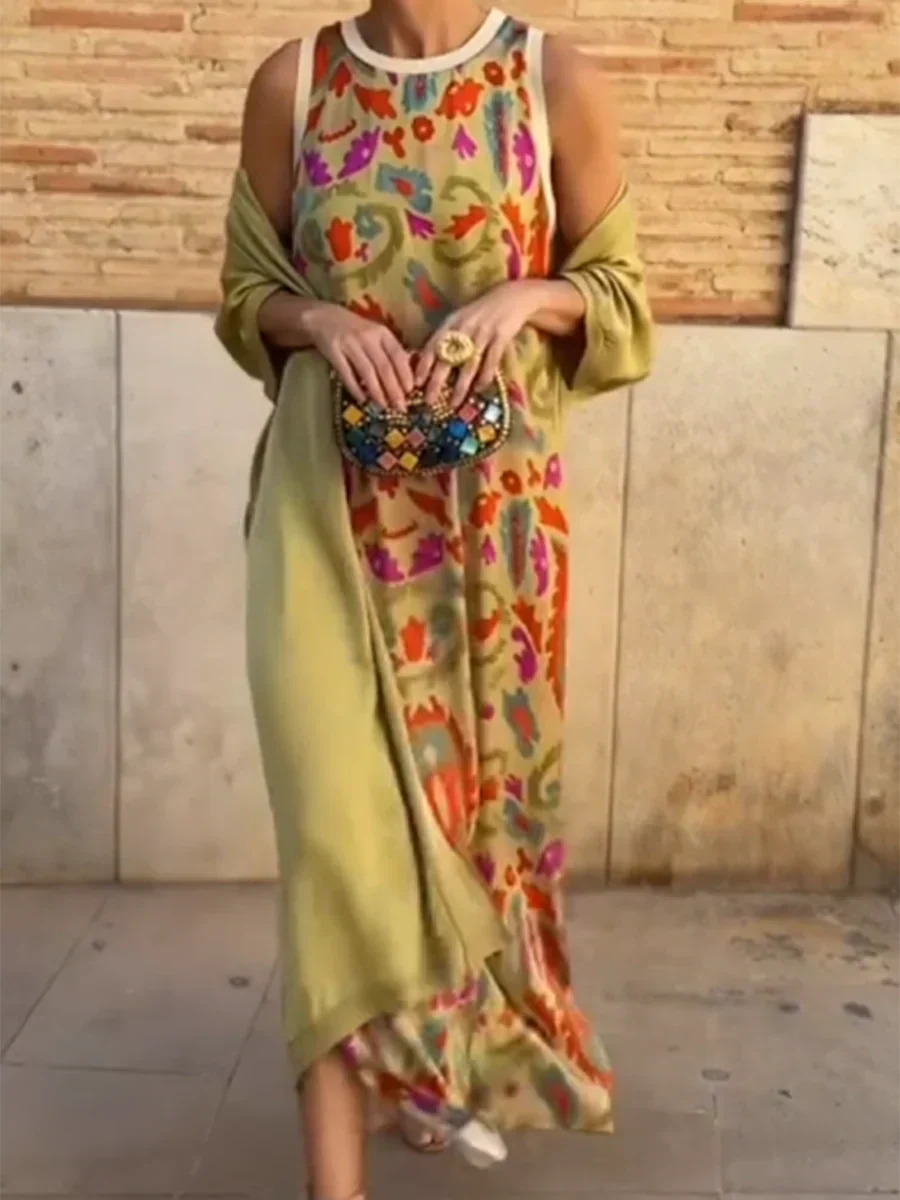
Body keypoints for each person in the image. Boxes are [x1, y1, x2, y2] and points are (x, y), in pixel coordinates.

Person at [217, 3, 654, 1198]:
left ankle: (428, 1066)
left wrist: (530, 298)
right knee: (335, 839)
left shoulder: (551, 80)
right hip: (326, 519)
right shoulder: (295, 84)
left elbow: (622, 299)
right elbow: (245, 293)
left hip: (493, 536)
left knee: (468, 828)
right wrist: (317, 319)